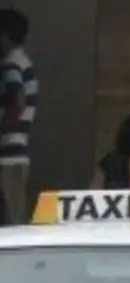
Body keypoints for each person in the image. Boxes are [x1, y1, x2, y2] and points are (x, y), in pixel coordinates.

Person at [0, 8, 35, 224]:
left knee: (11, 222)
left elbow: (17, 103)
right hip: (14, 155)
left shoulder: (11, 64)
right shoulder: (22, 62)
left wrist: (3, 127)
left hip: (8, 156)